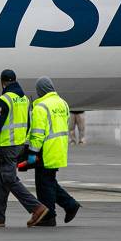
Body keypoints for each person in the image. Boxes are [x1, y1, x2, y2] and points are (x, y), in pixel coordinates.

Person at [0, 69, 49, 228]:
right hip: (19, 144)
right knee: (1, 181)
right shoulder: (24, 99)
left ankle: (36, 208)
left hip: (7, 146)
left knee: (9, 179)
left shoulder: (4, 99)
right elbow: (29, 122)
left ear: (2, 82)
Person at [27, 77, 81, 227]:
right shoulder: (63, 103)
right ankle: (70, 205)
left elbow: (38, 134)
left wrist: (32, 152)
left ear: (40, 91)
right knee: (49, 182)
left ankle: (49, 217)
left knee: (44, 184)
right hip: (60, 148)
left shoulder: (41, 107)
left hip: (46, 150)